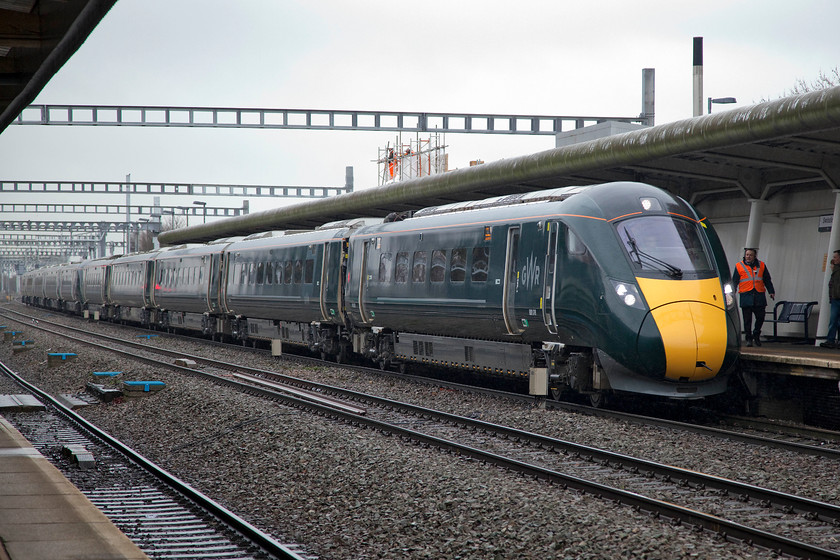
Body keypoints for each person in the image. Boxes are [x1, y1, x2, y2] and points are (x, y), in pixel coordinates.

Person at [732, 248, 775, 347]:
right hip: (746, 296)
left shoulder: (762, 266)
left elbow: (767, 279)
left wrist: (771, 291)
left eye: (750, 255)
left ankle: (756, 334)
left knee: (760, 317)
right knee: (747, 320)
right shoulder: (739, 266)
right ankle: (748, 338)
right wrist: (732, 293)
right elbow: (734, 281)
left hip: (759, 296)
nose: (748, 256)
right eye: (747, 254)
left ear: (754, 256)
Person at [822, 250, 840, 348]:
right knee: (834, 320)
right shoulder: (835, 270)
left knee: (834, 320)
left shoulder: (836, 270)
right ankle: (831, 340)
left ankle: (831, 340)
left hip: (836, 298)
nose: (834, 259)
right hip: (835, 299)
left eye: (835, 257)